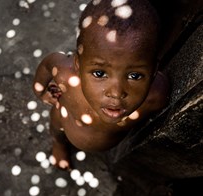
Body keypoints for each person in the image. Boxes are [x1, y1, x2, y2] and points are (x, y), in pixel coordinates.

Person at [33, 0, 169, 170]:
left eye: (135, 75)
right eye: (99, 73)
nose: (116, 93)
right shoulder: (64, 74)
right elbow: (47, 65)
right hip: (64, 122)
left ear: (154, 70)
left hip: (110, 141)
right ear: (77, 63)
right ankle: (59, 145)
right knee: (56, 129)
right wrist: (41, 92)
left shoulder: (155, 96)